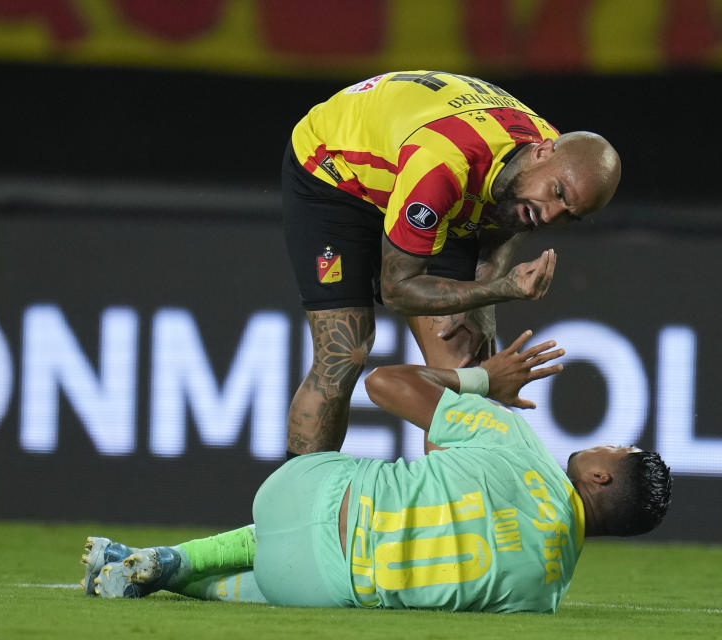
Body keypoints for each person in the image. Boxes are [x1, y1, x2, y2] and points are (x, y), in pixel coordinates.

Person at [81, 331, 671, 613]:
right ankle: (170, 569)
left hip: (298, 493)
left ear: (599, 478)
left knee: (324, 502)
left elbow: (384, 384)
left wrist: (482, 381)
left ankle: (168, 559)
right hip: (310, 589)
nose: (603, 444)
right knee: (304, 580)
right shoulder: (540, 596)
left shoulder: (518, 441)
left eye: (613, 449)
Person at [282, 70, 622, 458]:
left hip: (436, 184)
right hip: (337, 175)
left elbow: (506, 227)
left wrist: (480, 307)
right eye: (556, 194)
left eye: (568, 214)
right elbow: (398, 290)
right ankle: (294, 510)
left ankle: (448, 511)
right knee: (345, 352)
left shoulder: (541, 174)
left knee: (467, 364)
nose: (548, 217)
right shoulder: (446, 163)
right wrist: (500, 290)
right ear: (541, 152)